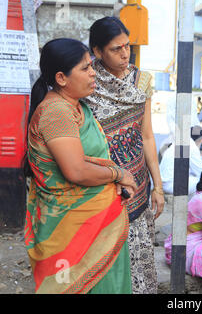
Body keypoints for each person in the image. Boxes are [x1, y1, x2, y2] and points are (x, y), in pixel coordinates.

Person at [24, 38, 137, 294]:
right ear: (62, 78)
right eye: (85, 68)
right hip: (73, 234)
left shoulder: (78, 107)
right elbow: (76, 171)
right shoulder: (56, 112)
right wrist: (119, 174)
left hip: (101, 228)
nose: (93, 72)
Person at [82, 16, 164, 294]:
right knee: (106, 259)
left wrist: (159, 187)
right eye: (116, 49)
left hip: (138, 185)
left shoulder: (142, 81)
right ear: (97, 52)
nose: (125, 53)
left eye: (128, 46)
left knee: (140, 257)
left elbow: (147, 136)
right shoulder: (86, 82)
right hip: (101, 187)